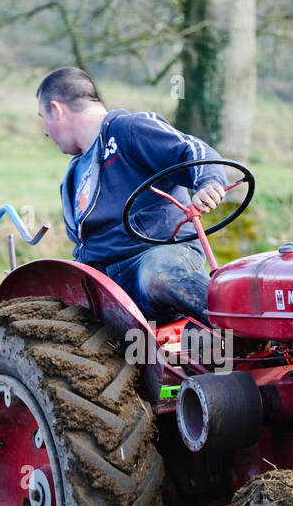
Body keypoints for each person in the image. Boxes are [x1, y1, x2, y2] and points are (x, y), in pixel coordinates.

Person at [36, 67, 228, 324]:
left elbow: (193, 151)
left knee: (158, 276)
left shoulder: (128, 130)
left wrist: (208, 183)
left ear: (57, 110)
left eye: (42, 118)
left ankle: (238, 324)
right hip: (107, 281)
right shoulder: (72, 177)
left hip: (154, 256)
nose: (45, 132)